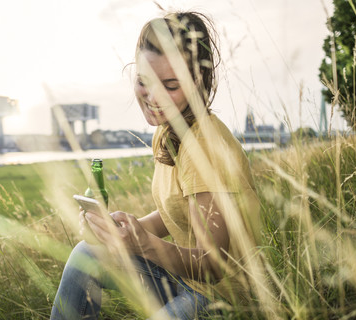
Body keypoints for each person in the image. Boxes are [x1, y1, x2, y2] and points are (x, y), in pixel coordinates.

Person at [51, 10, 261, 320]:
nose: (154, 97)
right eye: (144, 81)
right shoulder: (169, 130)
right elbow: (174, 215)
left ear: (196, 82)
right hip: (185, 282)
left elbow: (214, 265)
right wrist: (122, 230)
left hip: (224, 298)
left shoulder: (202, 145)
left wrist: (144, 245)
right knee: (87, 254)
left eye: (171, 85)